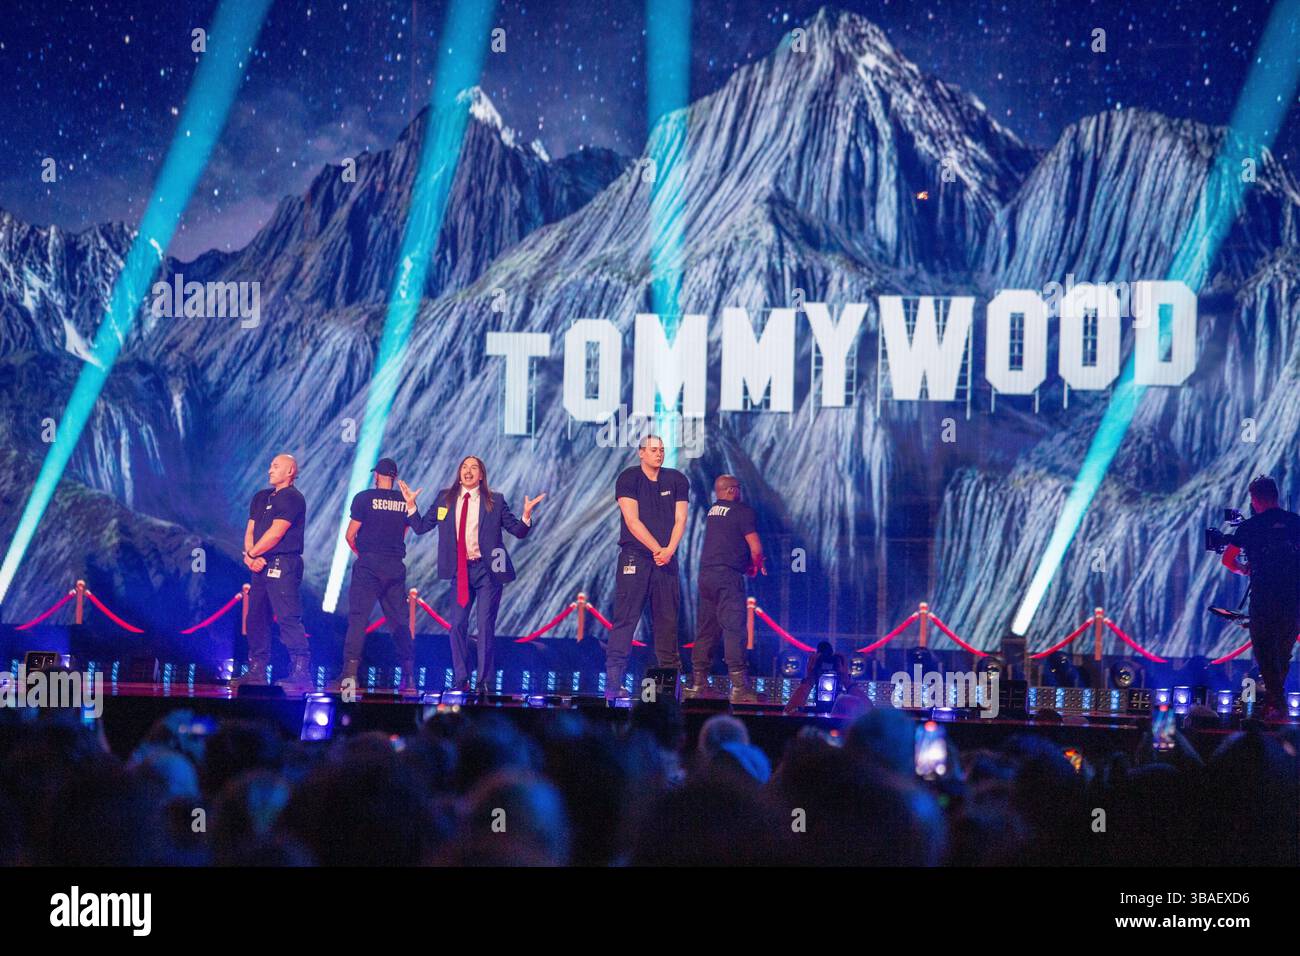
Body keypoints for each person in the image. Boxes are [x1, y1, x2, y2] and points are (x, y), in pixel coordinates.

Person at [400, 457, 543, 696]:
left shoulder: (494, 501)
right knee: (457, 625)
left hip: (488, 571)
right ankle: (461, 678)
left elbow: (517, 531)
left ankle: (484, 681)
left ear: (481, 476)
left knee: (485, 625)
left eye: (473, 468)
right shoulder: (445, 498)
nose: (468, 471)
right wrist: (411, 506)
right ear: (459, 473)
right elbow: (422, 526)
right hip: (460, 571)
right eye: (464, 467)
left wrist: (526, 515)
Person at [607, 435, 688, 700]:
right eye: (653, 450)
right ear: (641, 453)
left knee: (667, 623)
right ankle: (613, 683)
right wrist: (657, 549)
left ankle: (670, 687)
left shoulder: (676, 479)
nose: (659, 454)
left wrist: (669, 550)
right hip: (636, 557)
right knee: (625, 620)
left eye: (662, 450)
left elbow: (680, 519)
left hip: (667, 559)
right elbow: (632, 521)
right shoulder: (628, 478)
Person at [231, 454, 311, 695]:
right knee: (255, 616)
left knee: (287, 616)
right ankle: (257, 668)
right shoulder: (261, 497)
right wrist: (249, 556)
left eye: (276, 466)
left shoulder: (293, 498)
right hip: (260, 564)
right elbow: (251, 529)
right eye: (270, 466)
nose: (270, 470)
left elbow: (277, 533)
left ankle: (301, 671)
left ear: (290, 472)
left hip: (284, 563)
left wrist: (253, 554)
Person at [1222, 475, 1300, 720]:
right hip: (1292, 600)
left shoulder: (1249, 527)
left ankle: (1279, 707)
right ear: (1276, 496)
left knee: (1265, 653)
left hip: (1264, 600)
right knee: (1282, 654)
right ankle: (1274, 706)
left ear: (1255, 500)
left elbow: (1227, 559)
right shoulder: (1295, 522)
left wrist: (1243, 569)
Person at [339, 457, 417, 694]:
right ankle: (409, 677)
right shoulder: (405, 501)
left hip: (369, 565)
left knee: (358, 620)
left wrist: (363, 553)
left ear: (377, 476)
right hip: (394, 566)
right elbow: (402, 534)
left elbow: (350, 535)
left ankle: (350, 677)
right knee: (400, 622)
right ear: (394, 477)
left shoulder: (364, 498)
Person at [686, 475, 765, 703]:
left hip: (706, 576)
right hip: (727, 577)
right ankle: (740, 687)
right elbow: (756, 548)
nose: (740, 492)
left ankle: (699, 684)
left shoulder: (712, 512)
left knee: (706, 631)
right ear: (731, 490)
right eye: (738, 488)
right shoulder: (742, 512)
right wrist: (754, 566)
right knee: (734, 629)